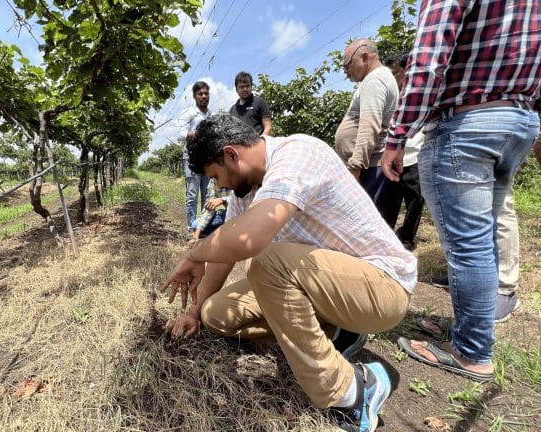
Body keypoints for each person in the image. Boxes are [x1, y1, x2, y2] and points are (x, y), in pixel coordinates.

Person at [161, 114, 417, 432]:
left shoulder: (297, 153)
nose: (220, 186)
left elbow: (248, 240)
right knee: (217, 314)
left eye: (216, 176)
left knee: (264, 260)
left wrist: (195, 253)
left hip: (381, 287)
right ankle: (336, 333)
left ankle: (353, 391)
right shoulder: (246, 193)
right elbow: (225, 256)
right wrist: (194, 312)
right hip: (329, 288)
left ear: (231, 154)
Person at [382, 0, 541, 381]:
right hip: (517, 120)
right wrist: (534, 116)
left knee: (468, 246)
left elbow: (430, 59)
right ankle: (469, 331)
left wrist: (398, 134)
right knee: (481, 241)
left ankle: (471, 352)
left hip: (466, 122)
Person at [430, 16, 541, 323]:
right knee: (466, 206)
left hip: (506, 116)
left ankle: (503, 288)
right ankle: (473, 276)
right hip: (468, 118)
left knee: (497, 206)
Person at [334, 39, 399, 214]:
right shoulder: (377, 79)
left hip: (370, 167)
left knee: (367, 223)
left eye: (347, 65)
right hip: (369, 166)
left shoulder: (375, 80)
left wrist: (355, 167)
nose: (346, 72)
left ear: (364, 57)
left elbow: (369, 126)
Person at [380, 53, 425, 251]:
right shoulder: (391, 95)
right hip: (392, 156)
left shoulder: (418, 92)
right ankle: (386, 236)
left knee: (415, 200)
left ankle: (406, 239)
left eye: (394, 72)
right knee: (390, 201)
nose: (392, 77)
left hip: (414, 155)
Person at [178, 81, 212, 236]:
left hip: (208, 161)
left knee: (207, 196)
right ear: (195, 96)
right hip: (192, 159)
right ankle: (192, 229)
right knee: (192, 196)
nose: (204, 96)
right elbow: (181, 134)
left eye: (206, 93)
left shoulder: (211, 114)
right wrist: (200, 133)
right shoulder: (189, 113)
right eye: (200, 94)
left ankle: (203, 228)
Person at [188, 178, 230, 244]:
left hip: (242, 215)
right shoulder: (213, 181)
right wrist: (196, 236)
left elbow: (240, 201)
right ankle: (221, 232)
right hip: (227, 214)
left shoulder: (236, 176)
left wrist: (222, 200)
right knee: (195, 225)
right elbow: (209, 208)